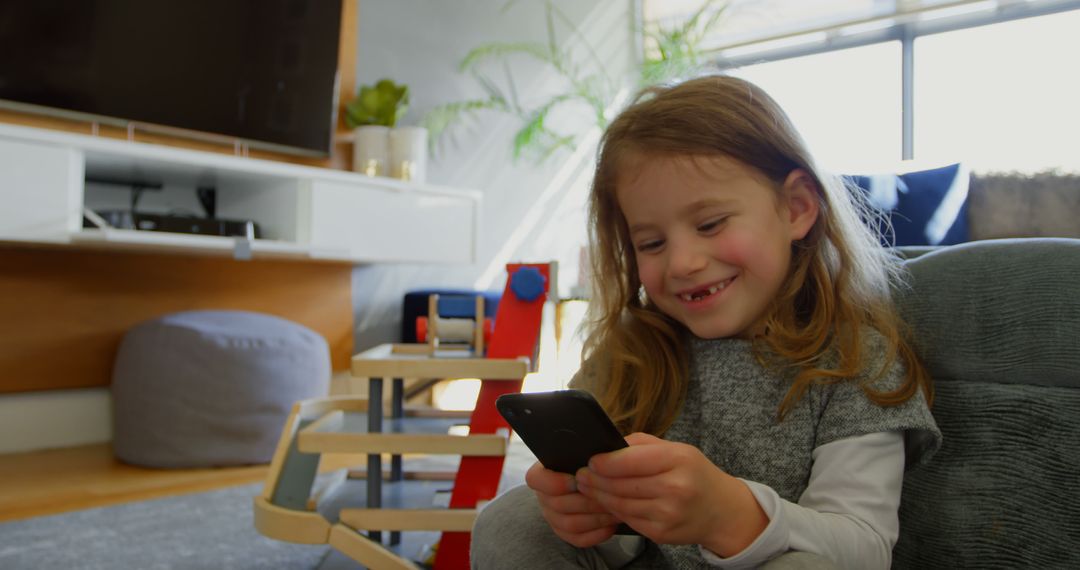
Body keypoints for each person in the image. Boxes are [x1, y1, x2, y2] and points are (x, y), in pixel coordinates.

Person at [471, 75, 941, 569]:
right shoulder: (631, 355)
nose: (682, 263)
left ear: (797, 208)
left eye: (710, 224)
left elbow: (862, 550)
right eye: (651, 243)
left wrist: (731, 517)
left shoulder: (854, 364)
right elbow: (622, 546)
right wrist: (594, 519)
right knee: (514, 518)